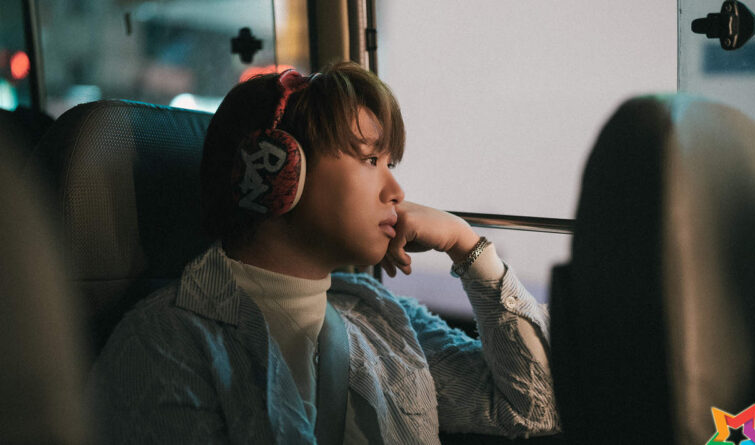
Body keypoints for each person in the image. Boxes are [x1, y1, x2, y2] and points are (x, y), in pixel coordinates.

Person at [89, 62, 560, 444]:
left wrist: (467, 246)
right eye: (370, 160)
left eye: (389, 163)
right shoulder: (166, 343)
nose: (396, 190)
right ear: (278, 170)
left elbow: (533, 407)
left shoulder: (379, 317)